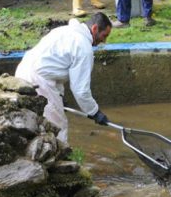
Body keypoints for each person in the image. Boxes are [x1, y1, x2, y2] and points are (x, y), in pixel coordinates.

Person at [14, 12, 112, 143]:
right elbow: (80, 90)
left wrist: (59, 96)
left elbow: (55, 66)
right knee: (57, 126)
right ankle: (60, 159)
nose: (104, 41)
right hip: (37, 79)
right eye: (104, 35)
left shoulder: (65, 31)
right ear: (94, 29)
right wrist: (94, 112)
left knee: (32, 120)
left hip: (23, 71)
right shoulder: (83, 47)